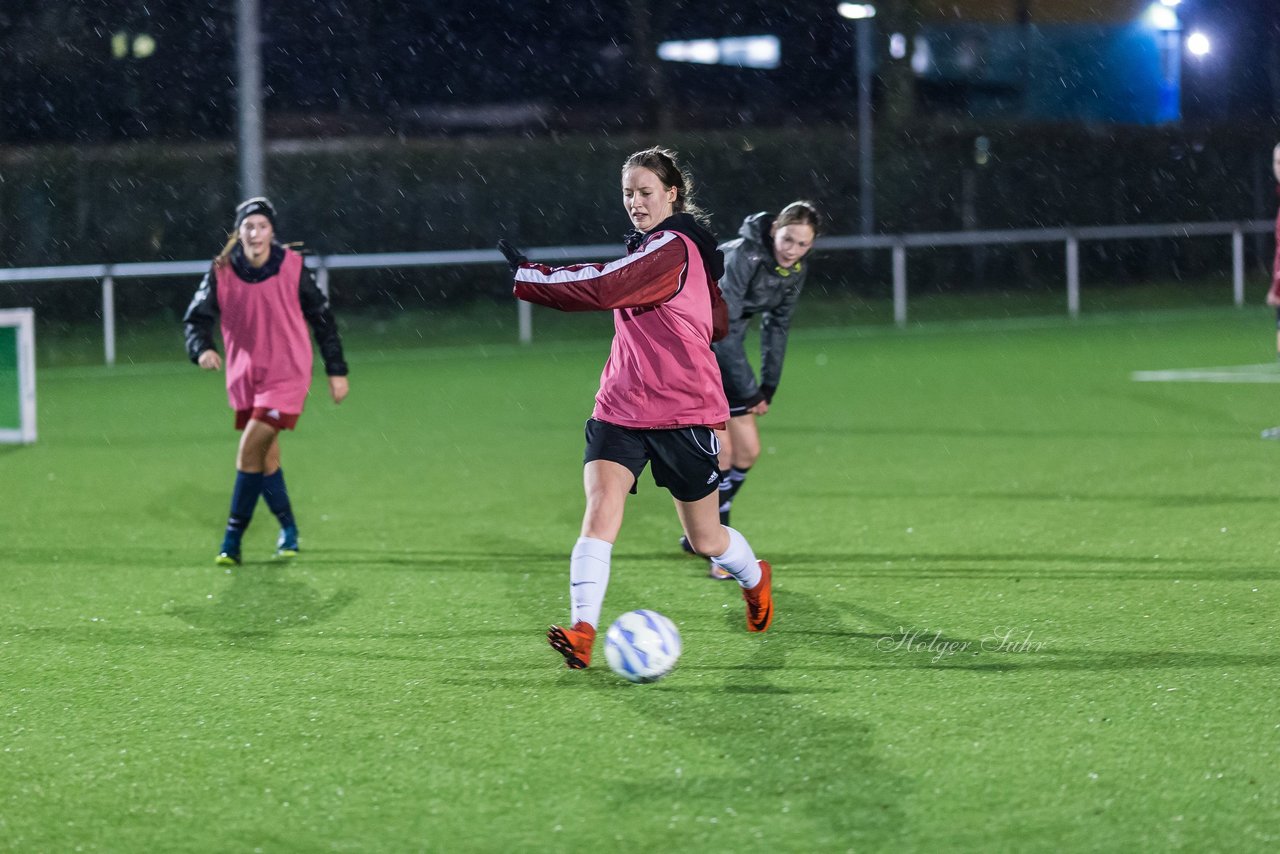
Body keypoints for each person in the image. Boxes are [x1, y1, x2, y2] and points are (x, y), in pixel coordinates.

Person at [500, 146, 775, 670]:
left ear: (672, 194)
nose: (635, 201)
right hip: (621, 405)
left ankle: (755, 577)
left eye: (645, 192)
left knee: (706, 538)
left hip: (683, 412)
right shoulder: (657, 249)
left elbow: (606, 285)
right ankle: (582, 629)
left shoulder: (672, 246)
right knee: (600, 509)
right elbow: (712, 317)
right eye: (628, 192)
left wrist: (531, 276)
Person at [183, 197, 350, 565]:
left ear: (272, 231)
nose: (255, 233)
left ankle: (232, 539)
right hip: (246, 376)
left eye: (262, 226)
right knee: (266, 458)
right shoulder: (222, 270)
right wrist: (201, 350)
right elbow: (196, 319)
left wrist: (336, 370)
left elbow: (322, 318)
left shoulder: (292, 267)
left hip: (288, 373)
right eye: (249, 227)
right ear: (239, 232)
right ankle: (289, 530)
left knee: (247, 450)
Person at [683, 201, 821, 578]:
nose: (792, 250)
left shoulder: (792, 270)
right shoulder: (743, 255)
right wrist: (750, 392)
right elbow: (721, 332)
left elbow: (778, 327)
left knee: (749, 452)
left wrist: (769, 386)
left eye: (802, 245)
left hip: (727, 353)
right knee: (723, 455)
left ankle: (698, 530)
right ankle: (718, 552)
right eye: (788, 239)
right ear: (775, 227)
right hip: (697, 351)